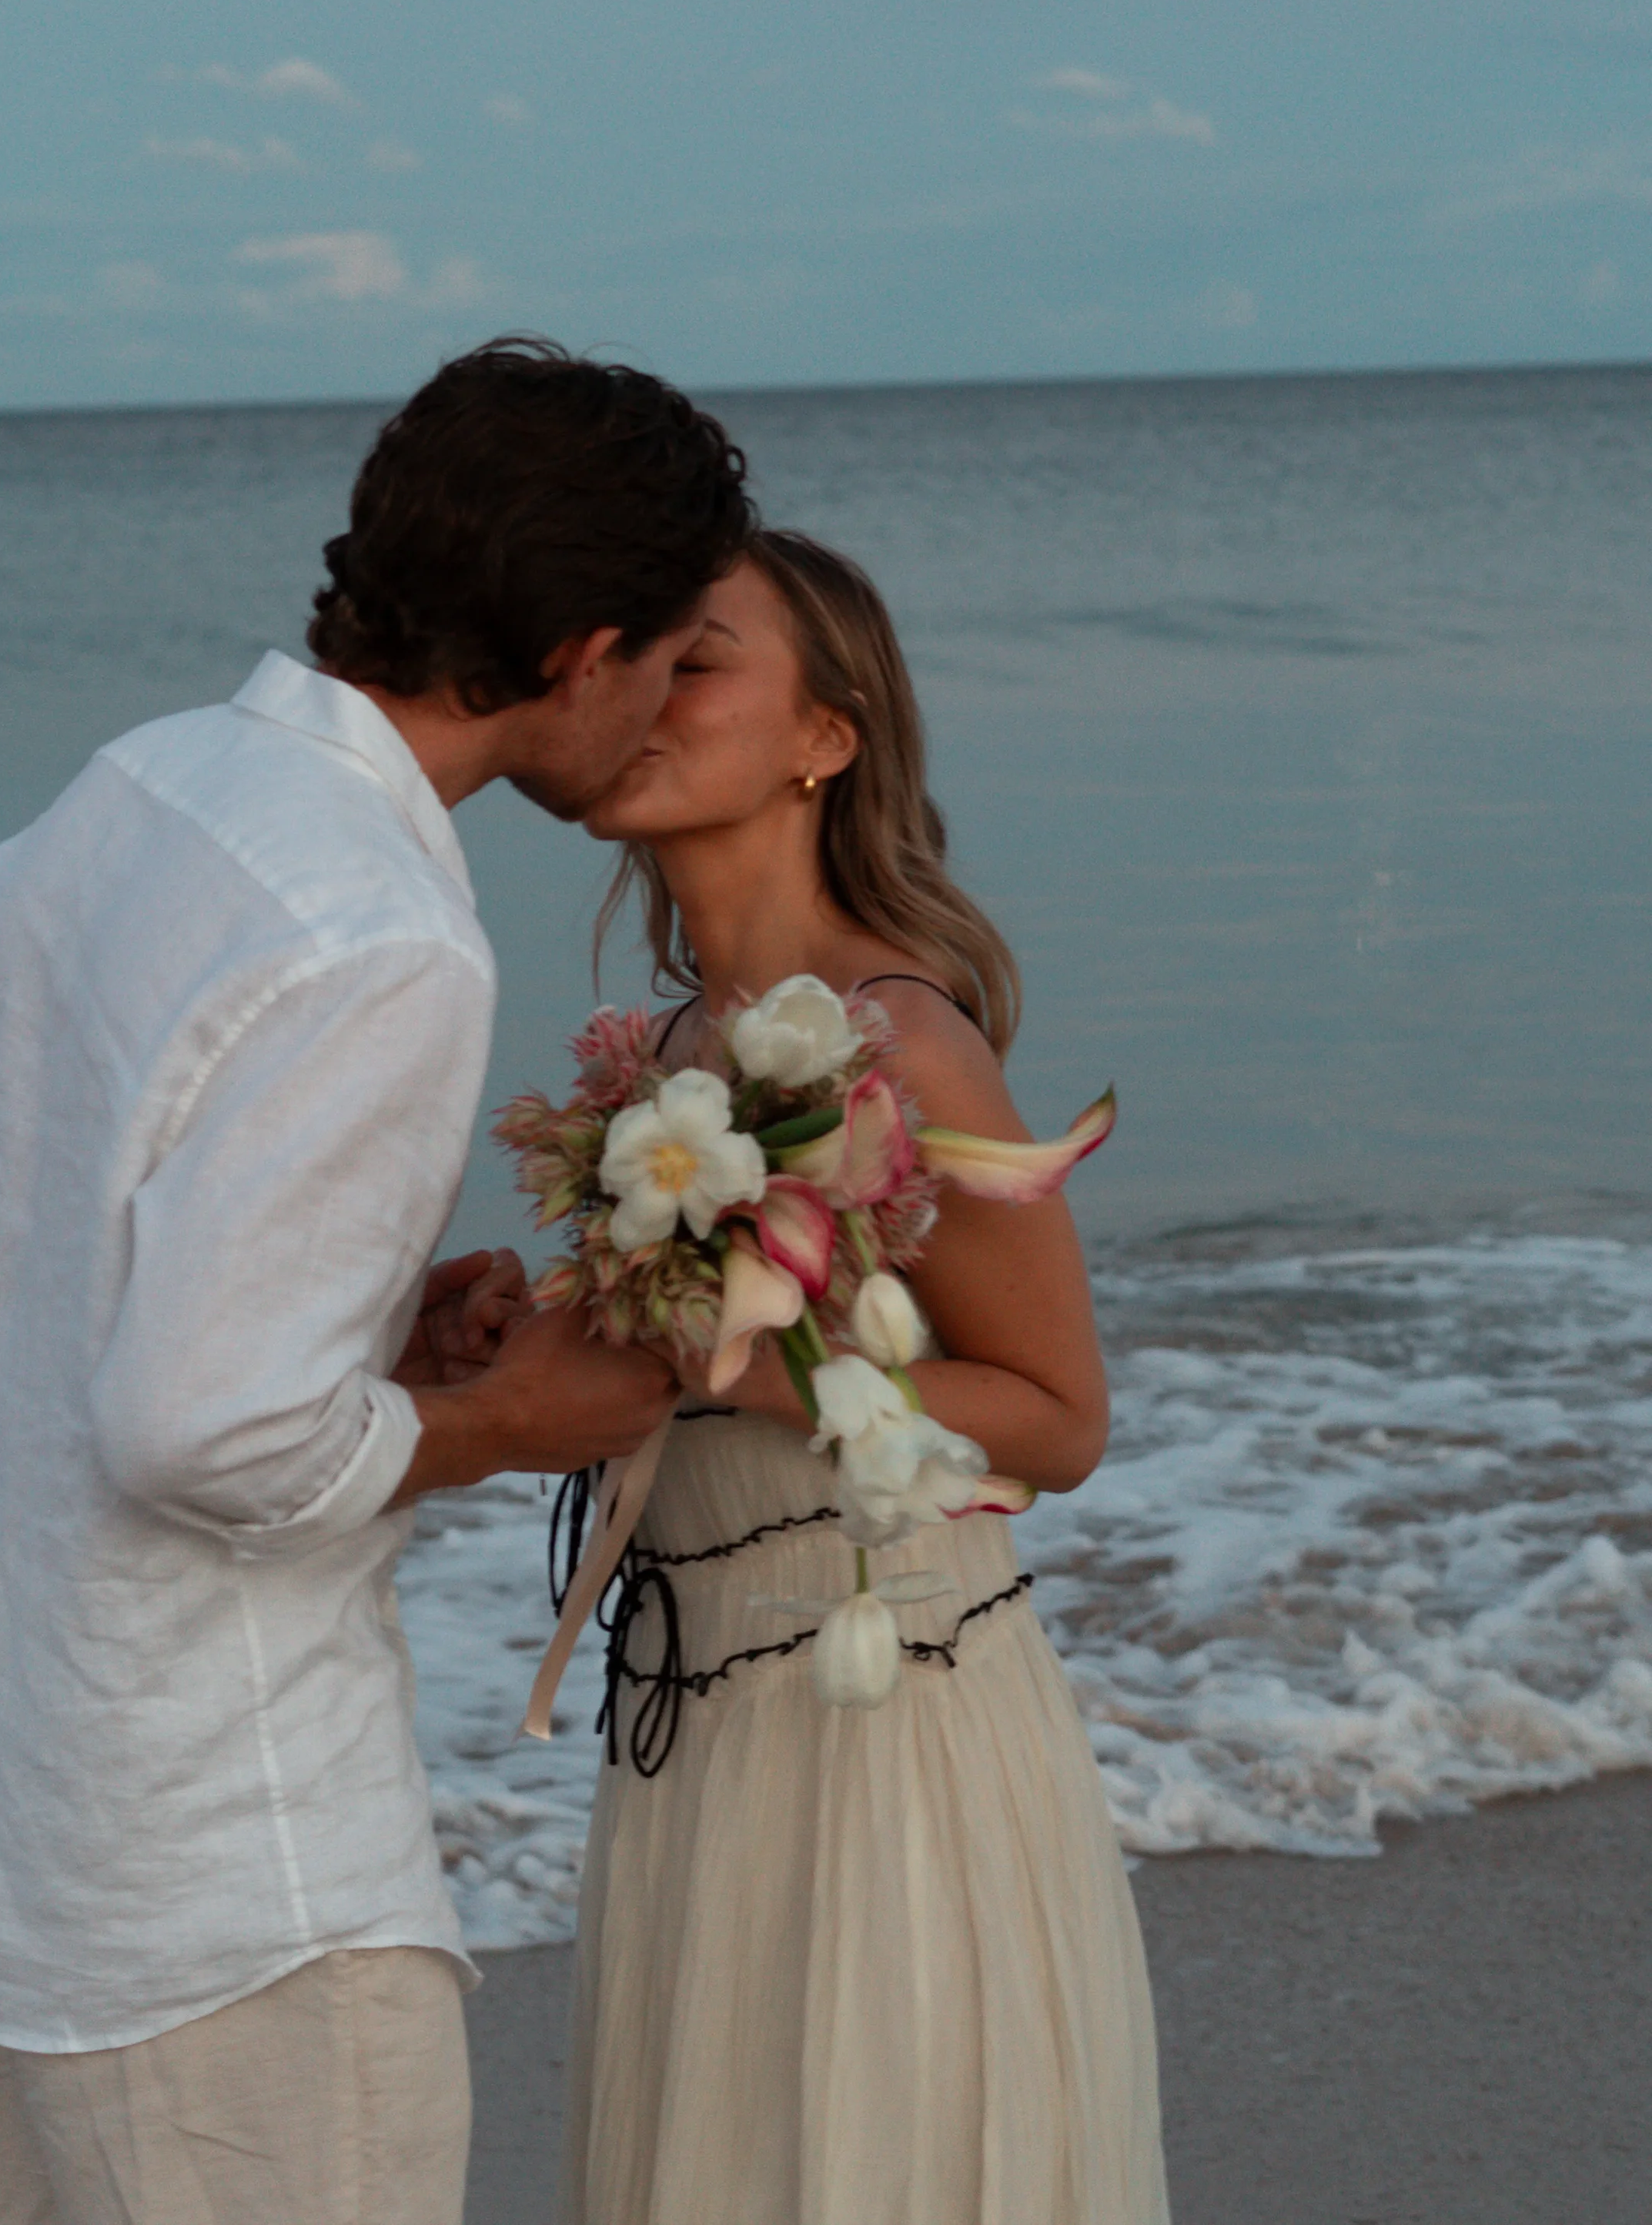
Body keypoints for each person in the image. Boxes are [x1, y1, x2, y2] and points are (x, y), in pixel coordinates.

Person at [0, 338, 754, 2225]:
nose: (672, 706)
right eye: (674, 656)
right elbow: (197, 1429)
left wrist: (365, 1341)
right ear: (584, 647)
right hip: (215, 1886)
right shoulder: (381, 928)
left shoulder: (139, 791)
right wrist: (501, 1425)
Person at [560, 527, 1170, 2225]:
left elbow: (1058, 1419)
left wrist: (749, 1373)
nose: (643, 695)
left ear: (825, 738)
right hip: (701, 1723)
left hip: (882, 1716)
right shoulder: (664, 1055)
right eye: (631, 657)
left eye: (702, 661)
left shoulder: (906, 1040)